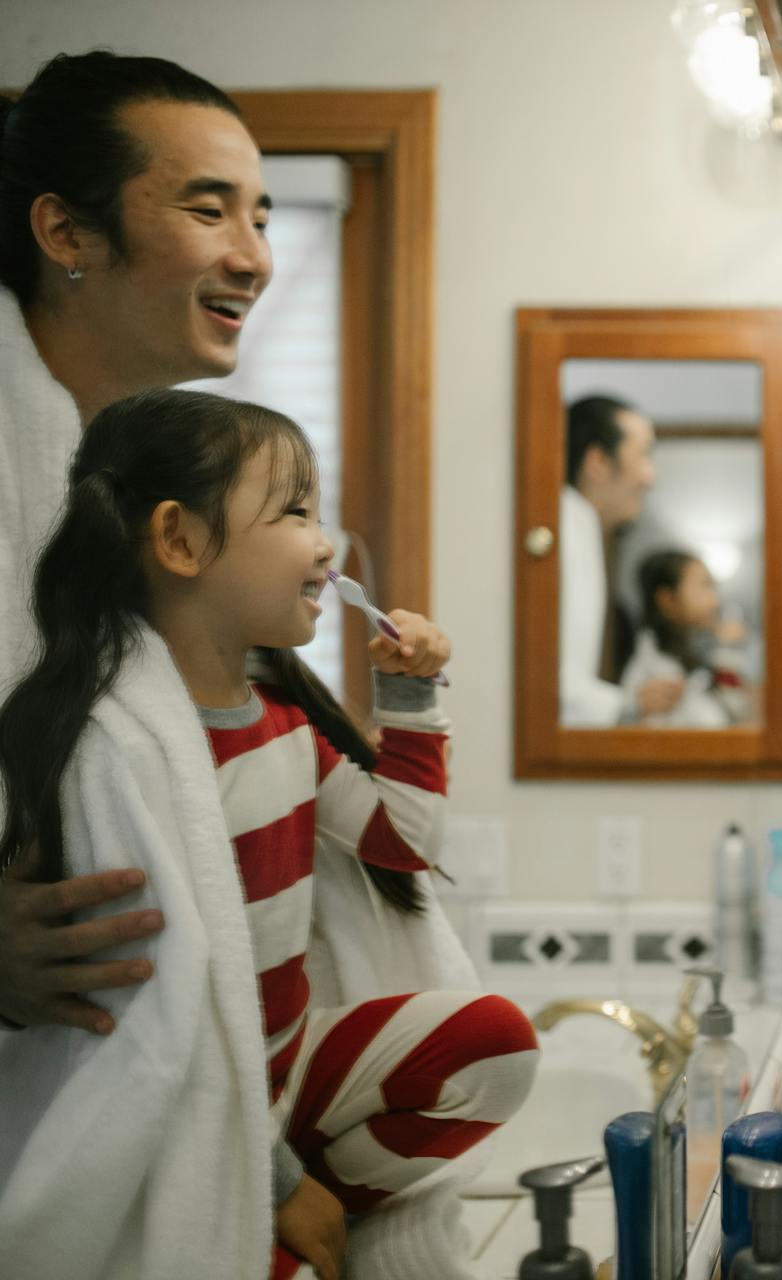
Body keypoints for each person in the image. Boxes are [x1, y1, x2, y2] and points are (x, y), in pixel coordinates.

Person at [0, 391, 539, 1280]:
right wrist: (276, 1179)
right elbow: (163, 1030)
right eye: (294, 512)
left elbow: (402, 842)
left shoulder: (283, 728)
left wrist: (409, 700)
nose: (325, 544)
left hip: (286, 1079)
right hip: (201, 1108)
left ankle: (301, 1215)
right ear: (178, 542)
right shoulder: (125, 756)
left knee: (495, 1046)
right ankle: (276, 1217)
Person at [0, 52, 274, 1036]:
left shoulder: (140, 491)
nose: (253, 256)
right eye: (210, 211)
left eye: (260, 215)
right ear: (66, 230)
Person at [559, 393, 665, 726]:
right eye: (644, 454)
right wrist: (632, 702)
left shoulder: (579, 525)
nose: (651, 477)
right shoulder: (563, 529)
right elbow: (558, 689)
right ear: (598, 461)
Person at [617, 547, 750, 728]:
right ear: (668, 600)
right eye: (705, 586)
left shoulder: (689, 658)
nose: (714, 599)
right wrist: (727, 652)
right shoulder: (658, 677)